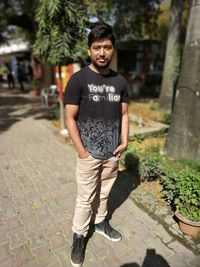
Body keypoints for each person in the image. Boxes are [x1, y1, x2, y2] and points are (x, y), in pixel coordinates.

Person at [64, 23, 129, 267]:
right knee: (84, 198)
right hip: (89, 154)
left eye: (107, 47)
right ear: (89, 50)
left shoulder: (120, 82)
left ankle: (100, 222)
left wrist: (124, 140)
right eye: (97, 47)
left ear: (113, 49)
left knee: (104, 192)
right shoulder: (79, 79)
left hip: (112, 153)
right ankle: (79, 236)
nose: (102, 52)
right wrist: (81, 151)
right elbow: (69, 117)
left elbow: (123, 114)